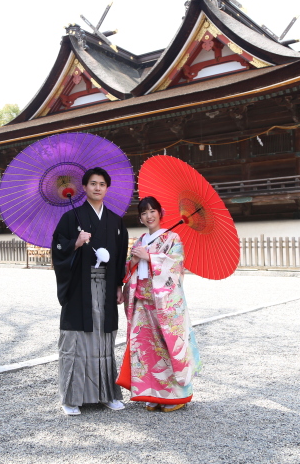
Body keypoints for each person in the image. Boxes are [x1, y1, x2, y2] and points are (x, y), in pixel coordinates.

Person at [51, 167, 129, 416]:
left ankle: (106, 394)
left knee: (103, 341)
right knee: (76, 340)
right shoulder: (70, 218)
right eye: (93, 183)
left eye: (102, 184)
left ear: (107, 188)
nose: (97, 188)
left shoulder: (116, 221)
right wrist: (76, 242)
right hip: (78, 288)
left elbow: (119, 256)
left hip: (106, 288)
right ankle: (71, 398)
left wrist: (119, 285)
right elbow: (58, 249)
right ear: (83, 188)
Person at [117, 196, 201, 412]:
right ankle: (151, 393)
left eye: (152, 211)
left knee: (168, 346)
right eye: (144, 213)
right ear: (141, 218)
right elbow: (128, 270)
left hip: (165, 303)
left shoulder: (173, 237)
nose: (148, 216)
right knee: (144, 348)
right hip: (142, 300)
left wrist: (151, 257)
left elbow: (175, 267)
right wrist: (135, 260)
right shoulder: (140, 240)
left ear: (160, 213)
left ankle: (177, 395)